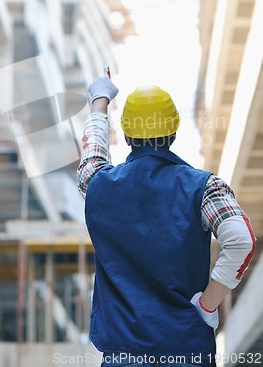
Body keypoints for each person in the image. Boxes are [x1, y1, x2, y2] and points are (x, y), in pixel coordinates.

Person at [77, 71, 256, 367]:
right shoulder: (205, 187)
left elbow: (92, 153)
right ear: (174, 132)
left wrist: (100, 100)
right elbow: (241, 240)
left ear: (126, 136)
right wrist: (207, 305)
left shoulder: (98, 185)